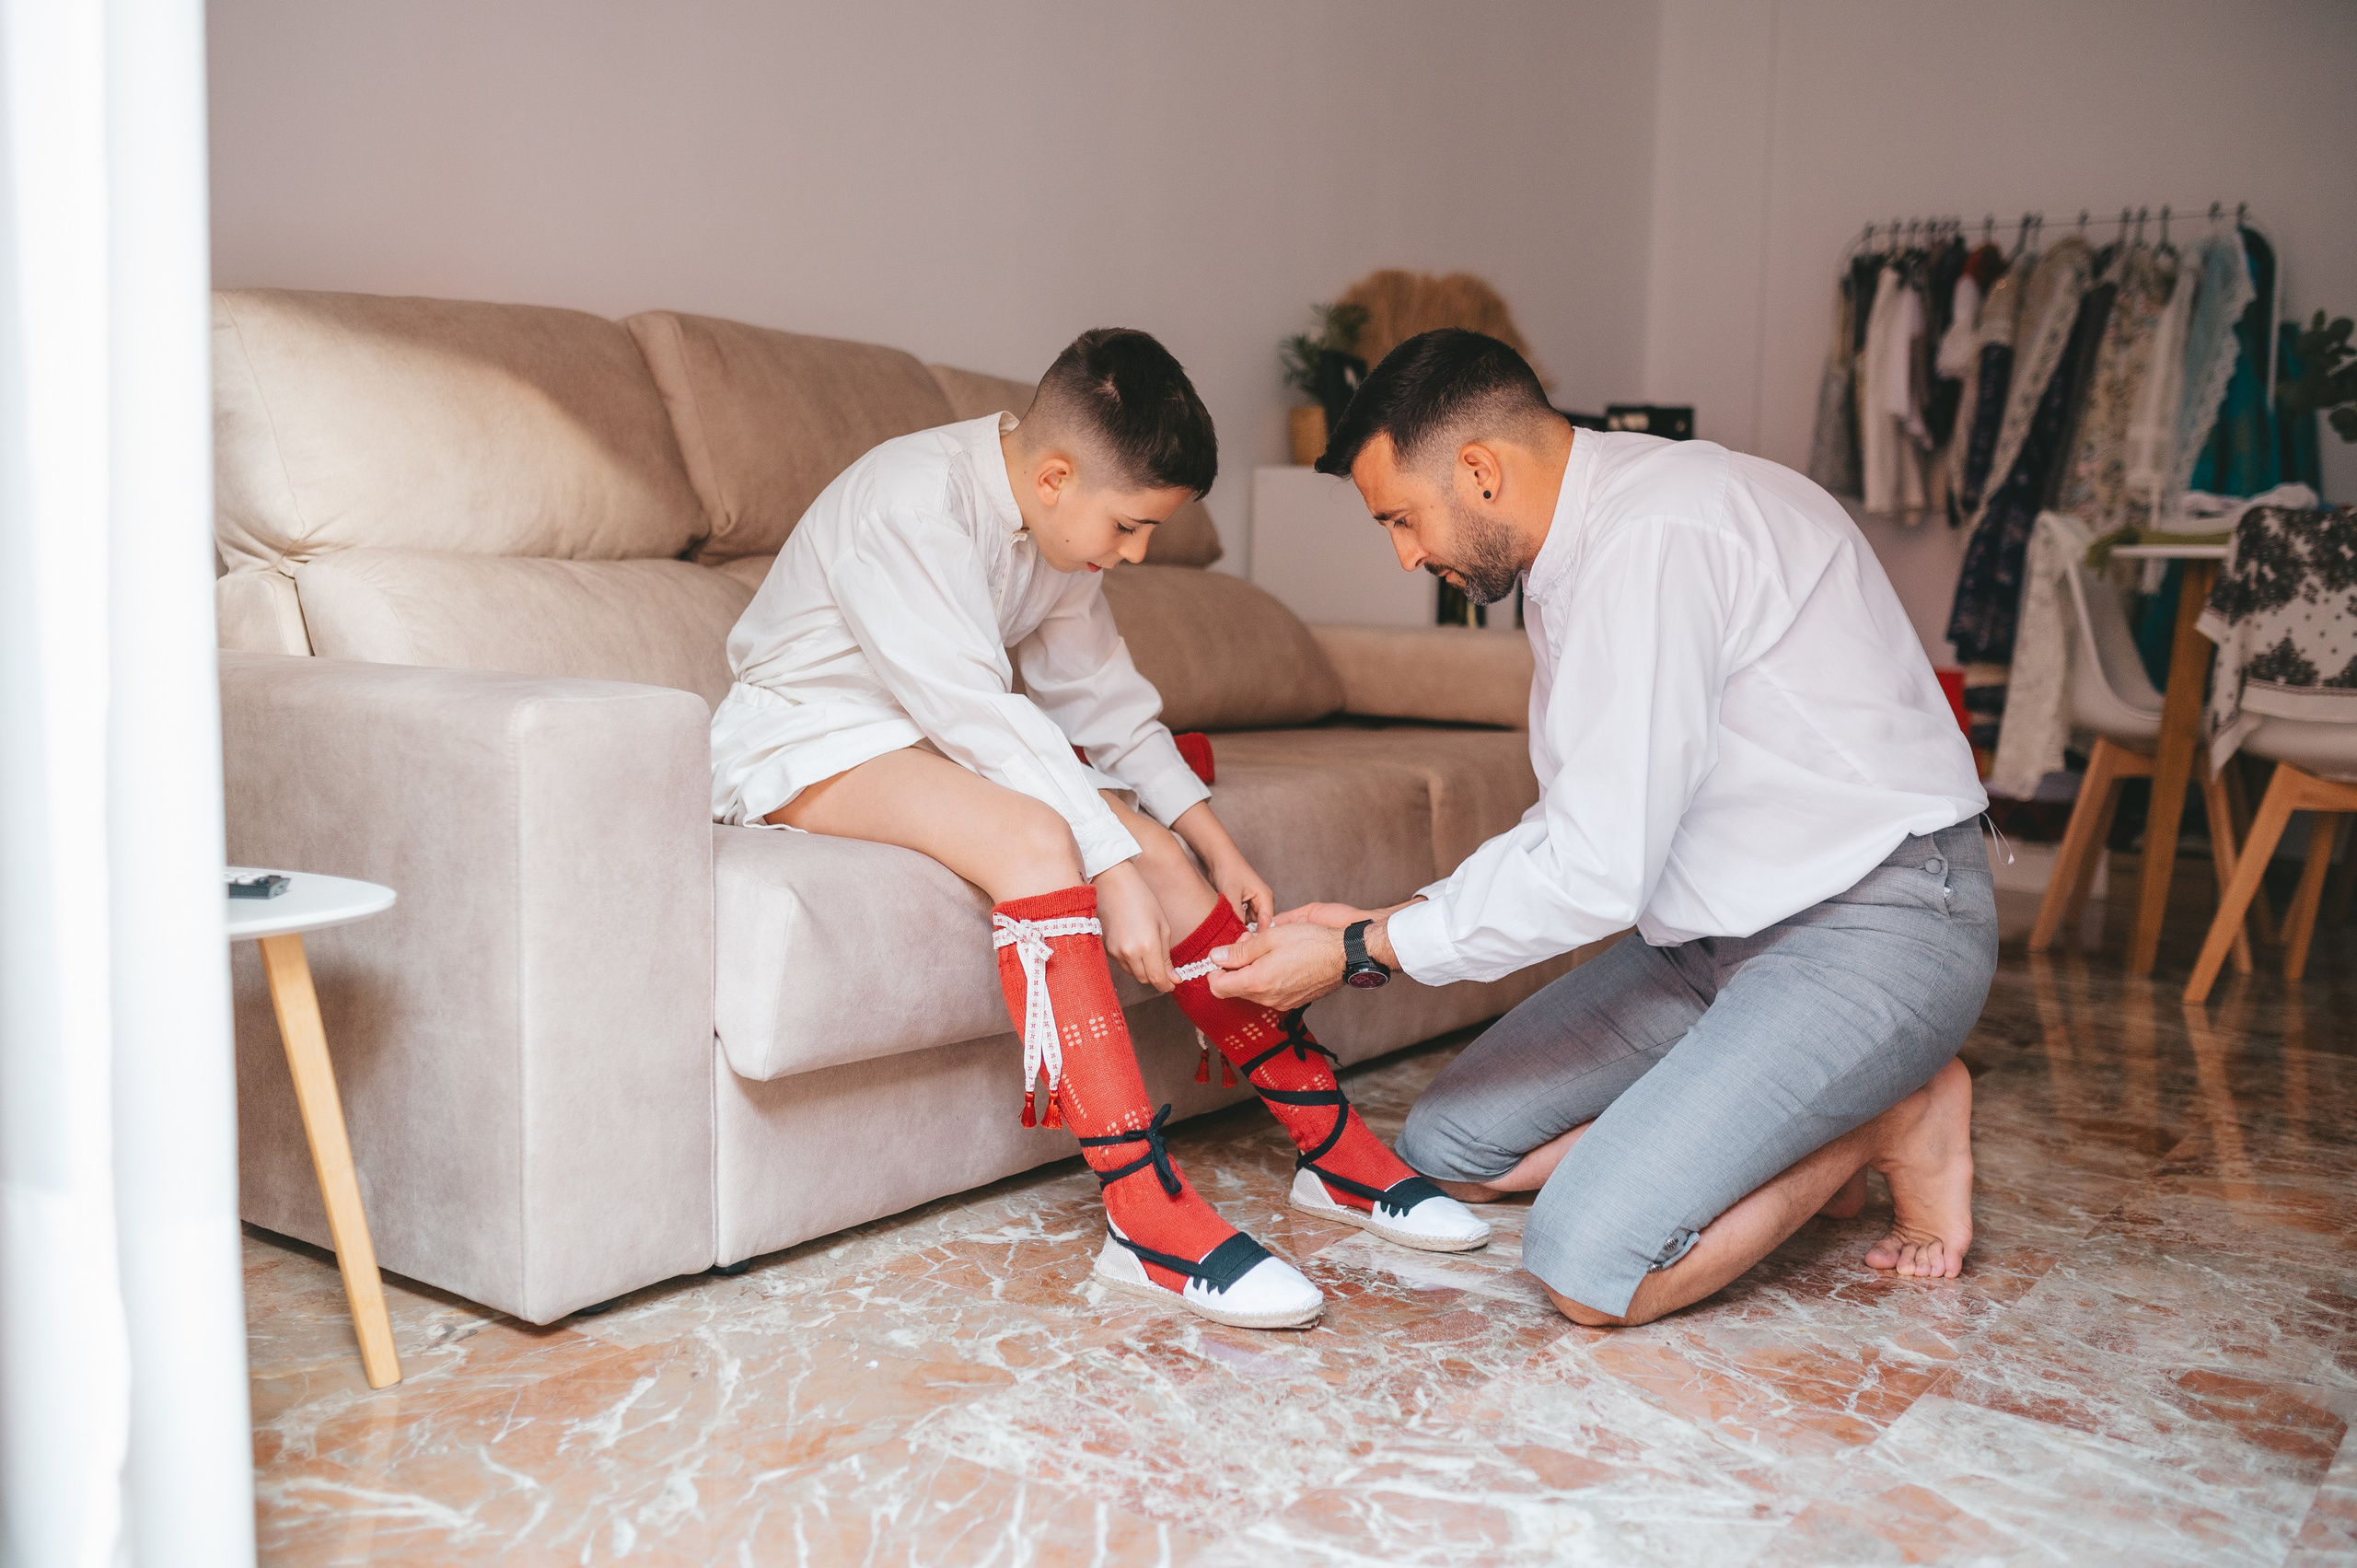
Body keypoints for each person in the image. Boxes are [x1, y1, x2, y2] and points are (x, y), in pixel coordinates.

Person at [1208, 329, 1996, 1329]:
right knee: (1449, 1144)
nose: (1407, 554)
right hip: (1705, 938)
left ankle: (1893, 1110)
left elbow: (1592, 868)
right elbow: (1580, 820)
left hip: (1878, 918)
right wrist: (1383, 917)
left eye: (1402, 518)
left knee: (1590, 1262)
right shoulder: (1570, 552)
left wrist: (1357, 950)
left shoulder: (1652, 536)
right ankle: (1766, 1105)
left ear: (1480, 470)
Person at [709, 329, 1487, 1331]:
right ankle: (1141, 1211)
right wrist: (1104, 860)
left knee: (1155, 853)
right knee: (1039, 843)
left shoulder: (1059, 523)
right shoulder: (907, 505)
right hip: (806, 738)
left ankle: (1328, 1142)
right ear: (1055, 473)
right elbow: (975, 711)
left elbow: (1104, 700)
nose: (1137, 553)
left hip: (930, 732)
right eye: (1128, 526)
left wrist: (1208, 842)